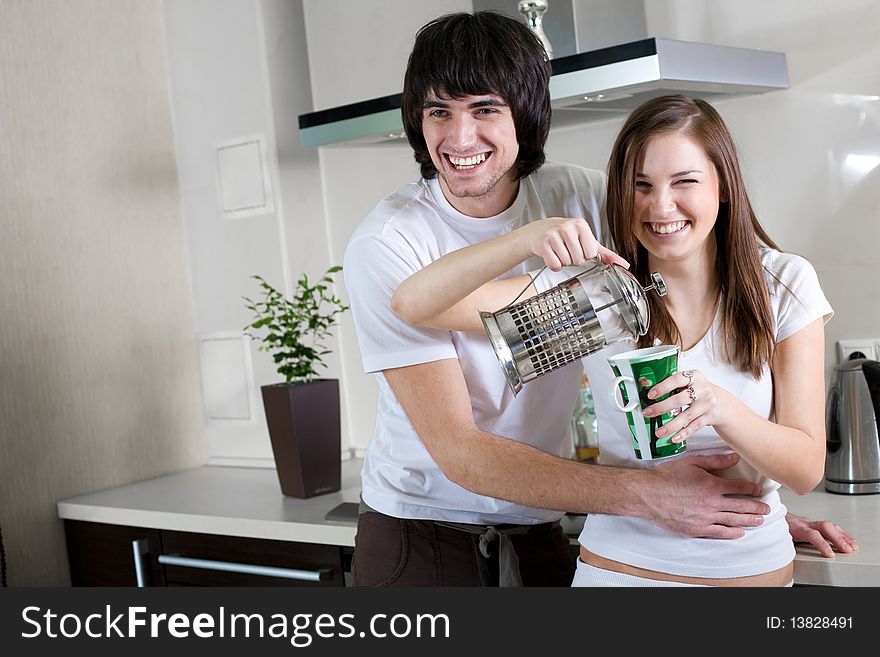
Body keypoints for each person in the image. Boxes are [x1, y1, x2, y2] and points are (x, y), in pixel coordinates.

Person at [343, 11, 856, 587]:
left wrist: (746, 508)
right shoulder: (387, 243)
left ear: (526, 115)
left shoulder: (585, 198)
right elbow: (463, 452)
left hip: (541, 521)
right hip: (425, 530)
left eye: (485, 109)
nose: (461, 138)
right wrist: (660, 499)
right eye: (440, 112)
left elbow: (692, 240)